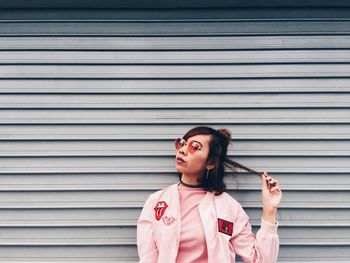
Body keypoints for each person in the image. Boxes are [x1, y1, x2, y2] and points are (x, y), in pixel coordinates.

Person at [137, 126, 282, 263]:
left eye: (195, 147)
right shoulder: (156, 202)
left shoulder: (228, 207)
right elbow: (148, 258)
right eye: (182, 143)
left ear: (211, 163)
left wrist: (270, 210)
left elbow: (261, 260)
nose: (182, 150)